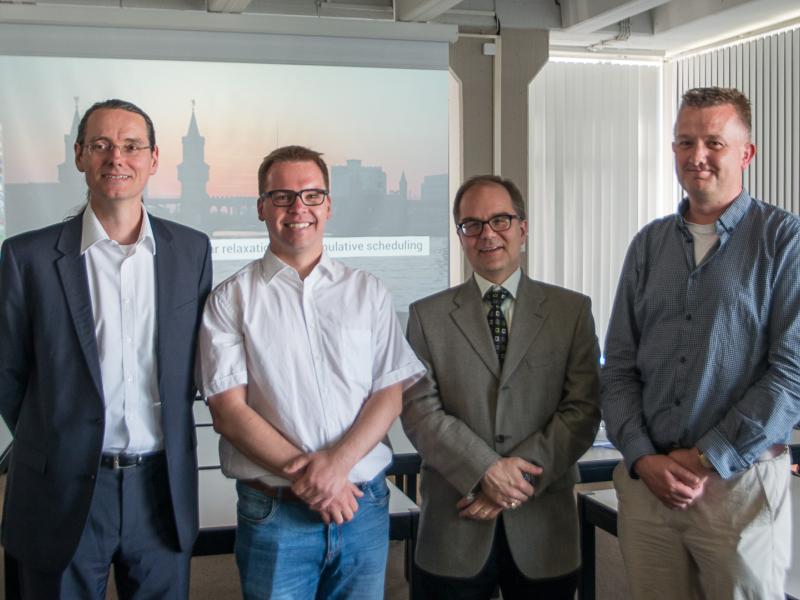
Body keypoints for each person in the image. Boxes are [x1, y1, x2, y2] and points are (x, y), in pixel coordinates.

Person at [0, 99, 212, 599]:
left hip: (160, 490)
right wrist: (53, 439)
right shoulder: (25, 257)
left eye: (132, 146)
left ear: (155, 159)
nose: (117, 157)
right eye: (101, 145)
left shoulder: (192, 250)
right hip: (62, 489)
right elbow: (7, 375)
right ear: (79, 156)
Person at [196, 145, 425, 599]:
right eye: (282, 196)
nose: (298, 208)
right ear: (261, 207)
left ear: (329, 205)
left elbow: (389, 393)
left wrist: (335, 470)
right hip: (275, 514)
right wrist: (315, 480)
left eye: (311, 195)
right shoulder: (230, 299)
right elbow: (228, 411)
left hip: (363, 506)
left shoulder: (369, 292)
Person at [602, 86, 800, 600]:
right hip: (650, 488)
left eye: (714, 142)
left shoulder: (784, 241)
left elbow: (791, 374)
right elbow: (619, 365)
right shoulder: (648, 245)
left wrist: (706, 458)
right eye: (685, 142)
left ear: (746, 153)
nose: (698, 156)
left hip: (739, 488)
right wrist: (644, 458)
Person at [401, 174, 601, 599]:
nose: (487, 233)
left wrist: (513, 480)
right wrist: (485, 471)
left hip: (544, 524)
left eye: (500, 220)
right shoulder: (425, 317)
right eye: (471, 224)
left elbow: (582, 409)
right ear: (460, 235)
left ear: (523, 228)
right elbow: (420, 412)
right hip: (455, 524)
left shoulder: (572, 311)